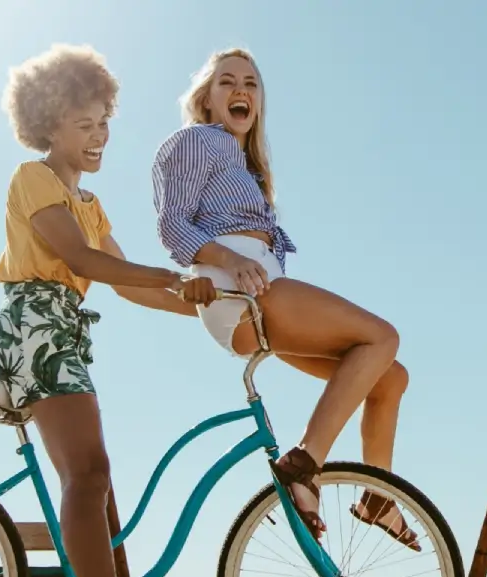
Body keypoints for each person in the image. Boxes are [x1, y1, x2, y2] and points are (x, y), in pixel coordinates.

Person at [0, 44, 216, 577]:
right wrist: (178, 274)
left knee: (94, 480)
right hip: (36, 328)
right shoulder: (36, 179)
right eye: (86, 124)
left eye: (105, 120)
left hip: (65, 335)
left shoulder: (92, 203)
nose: (100, 134)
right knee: (89, 474)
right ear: (49, 125)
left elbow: (130, 287)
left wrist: (211, 315)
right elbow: (84, 263)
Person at [151, 48, 417, 549]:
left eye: (251, 84)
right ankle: (302, 464)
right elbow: (172, 224)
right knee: (383, 336)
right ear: (205, 100)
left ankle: (378, 497)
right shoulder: (195, 140)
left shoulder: (244, 164)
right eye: (226, 82)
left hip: (258, 294)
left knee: (389, 376)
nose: (241, 91)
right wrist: (231, 264)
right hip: (242, 293)